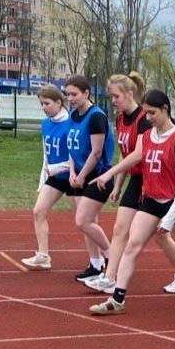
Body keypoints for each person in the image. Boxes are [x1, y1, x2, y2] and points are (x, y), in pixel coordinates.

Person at [84, 73, 175, 295]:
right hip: (137, 180)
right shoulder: (121, 119)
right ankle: (111, 279)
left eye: (116, 96)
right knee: (123, 231)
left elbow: (138, 154)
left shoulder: (144, 120)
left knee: (166, 239)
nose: (113, 101)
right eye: (111, 97)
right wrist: (118, 184)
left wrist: (109, 174)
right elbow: (124, 153)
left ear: (129, 93)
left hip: (149, 180)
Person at [63, 75, 115, 282]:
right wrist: (72, 172)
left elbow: (96, 152)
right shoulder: (73, 115)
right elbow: (71, 147)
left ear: (86, 93)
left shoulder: (96, 117)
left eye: (74, 94)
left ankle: (112, 257)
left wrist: (82, 175)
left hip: (97, 175)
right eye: (67, 94)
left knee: (83, 221)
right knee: (88, 222)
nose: (70, 98)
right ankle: (95, 263)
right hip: (78, 174)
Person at [22, 86, 76, 270]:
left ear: (59, 102)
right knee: (38, 211)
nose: (43, 107)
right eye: (42, 104)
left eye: (47, 103)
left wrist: (58, 168)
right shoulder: (45, 124)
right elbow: (46, 156)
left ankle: (103, 256)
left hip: (73, 177)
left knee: (84, 222)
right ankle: (43, 256)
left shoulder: (72, 124)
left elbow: (78, 157)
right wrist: (42, 179)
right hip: (54, 177)